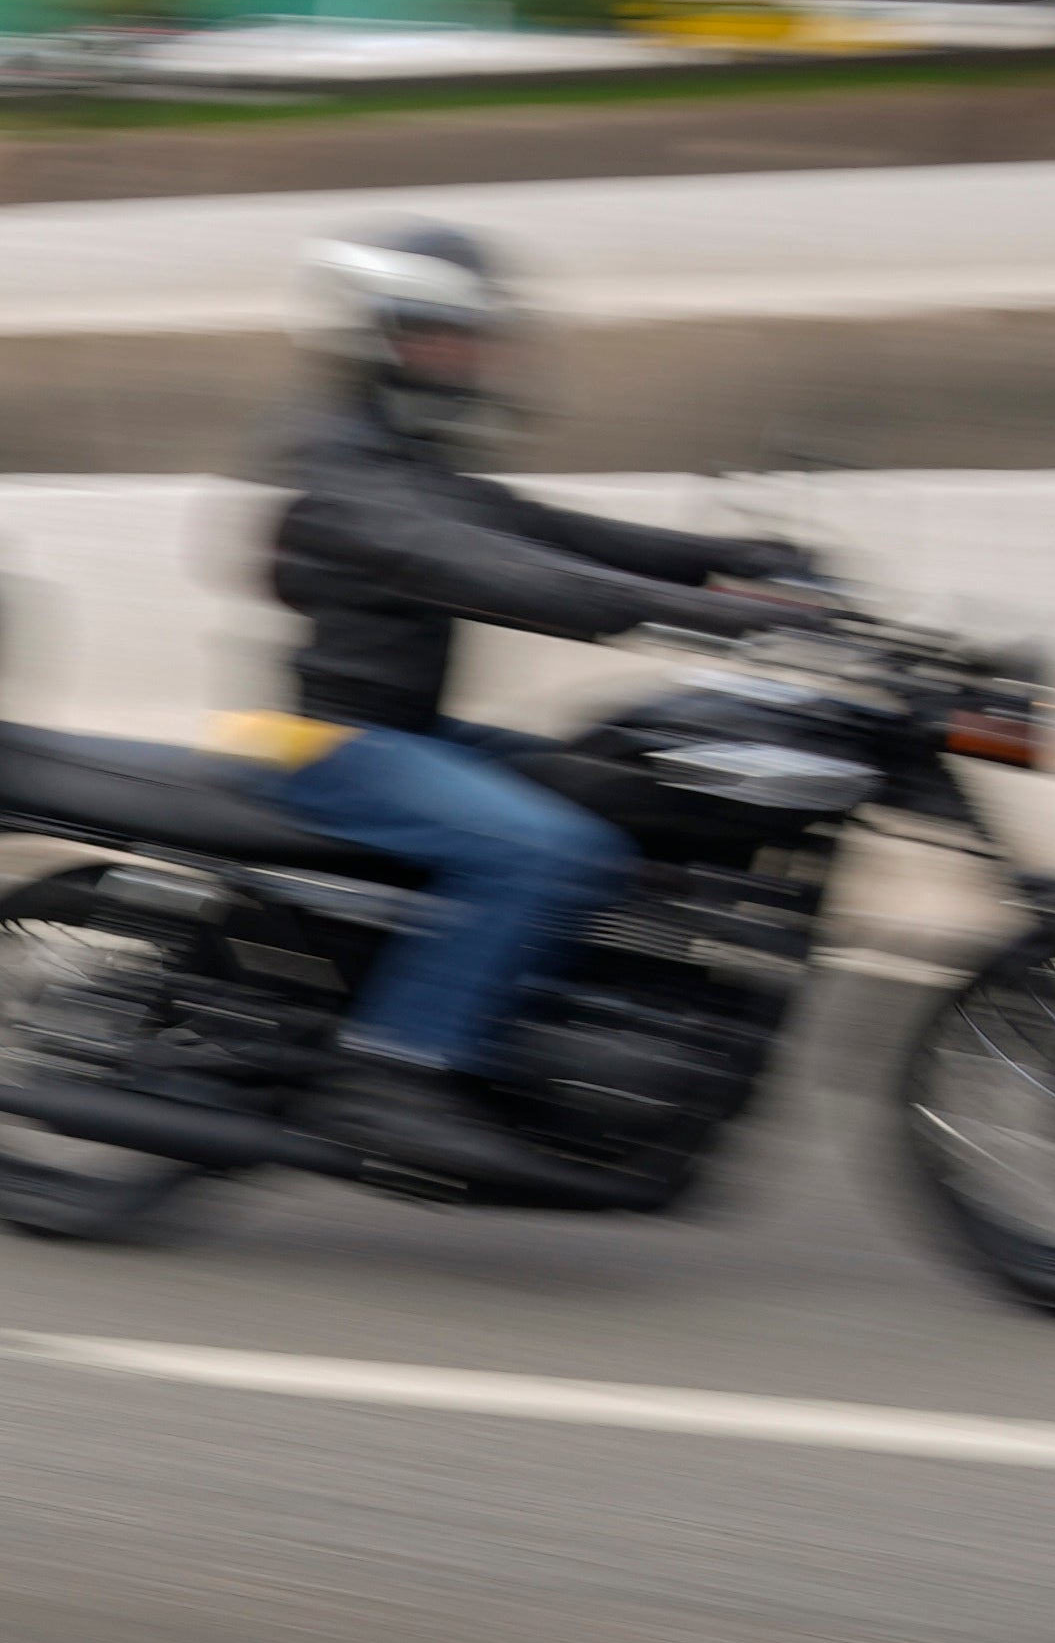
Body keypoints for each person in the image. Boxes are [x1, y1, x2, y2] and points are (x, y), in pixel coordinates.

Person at [254, 222, 839, 1193]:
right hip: (335, 746)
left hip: (405, 733)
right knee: (549, 848)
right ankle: (392, 1071)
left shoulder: (401, 462)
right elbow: (504, 574)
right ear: (384, 338)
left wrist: (733, 563)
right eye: (454, 338)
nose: (478, 360)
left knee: (615, 790)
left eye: (480, 338)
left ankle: (547, 1036)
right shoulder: (339, 473)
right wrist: (695, 613)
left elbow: (546, 532)